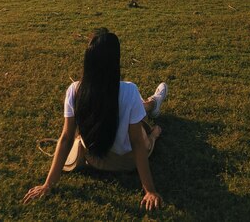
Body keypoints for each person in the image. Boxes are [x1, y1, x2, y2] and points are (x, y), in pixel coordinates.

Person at [23, 28, 168, 212]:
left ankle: (150, 104)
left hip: (94, 159)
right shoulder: (129, 90)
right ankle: (153, 108)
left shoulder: (74, 90)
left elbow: (66, 138)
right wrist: (150, 190)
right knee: (145, 129)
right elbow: (138, 144)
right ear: (115, 61)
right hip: (126, 162)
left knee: (130, 111)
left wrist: (48, 185)